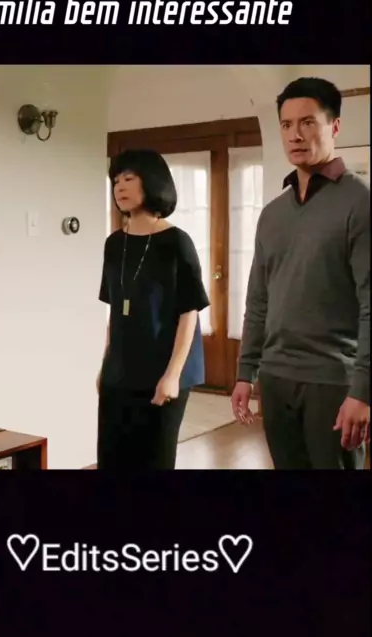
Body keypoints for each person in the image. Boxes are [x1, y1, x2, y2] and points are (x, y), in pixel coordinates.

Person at [231, 77, 370, 470]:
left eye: (308, 122)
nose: (295, 134)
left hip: (333, 381)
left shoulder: (360, 203)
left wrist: (363, 391)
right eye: (287, 124)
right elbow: (259, 299)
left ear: (335, 127)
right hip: (275, 379)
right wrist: (246, 372)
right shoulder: (272, 214)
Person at [97, 148, 210, 469]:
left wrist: (172, 376)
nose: (120, 186)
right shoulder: (114, 244)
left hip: (164, 369)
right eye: (116, 181)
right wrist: (106, 364)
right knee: (111, 458)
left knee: (153, 460)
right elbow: (115, 312)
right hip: (121, 371)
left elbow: (189, 313)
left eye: (129, 178)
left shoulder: (177, 242)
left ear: (151, 182)